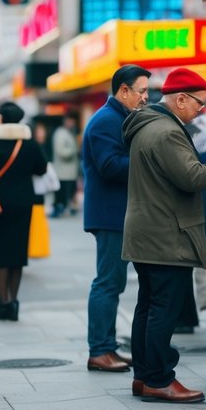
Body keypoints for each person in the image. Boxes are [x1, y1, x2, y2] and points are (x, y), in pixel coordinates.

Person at [122, 68, 206, 403]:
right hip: (166, 233)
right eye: (199, 103)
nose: (201, 110)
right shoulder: (166, 132)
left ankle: (144, 377)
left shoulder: (148, 126)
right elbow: (193, 176)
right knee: (164, 308)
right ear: (179, 99)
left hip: (148, 231)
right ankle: (160, 379)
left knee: (148, 306)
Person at [82, 64, 150, 373]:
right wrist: (149, 159)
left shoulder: (120, 117)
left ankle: (107, 347)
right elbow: (110, 166)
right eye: (141, 91)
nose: (145, 97)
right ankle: (99, 350)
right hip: (111, 215)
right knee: (108, 282)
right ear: (123, 91)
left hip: (123, 213)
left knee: (115, 282)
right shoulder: (106, 121)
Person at [0, 102, 47, 322]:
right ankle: (13, 302)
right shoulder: (29, 142)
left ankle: (2, 303)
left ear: (1, 118)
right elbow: (41, 168)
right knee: (16, 254)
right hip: (23, 205)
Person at [50, 115, 79, 220]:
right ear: (66, 121)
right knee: (61, 192)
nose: (72, 124)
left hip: (69, 171)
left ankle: (66, 208)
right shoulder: (60, 134)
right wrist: (74, 150)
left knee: (68, 191)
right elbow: (61, 151)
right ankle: (59, 209)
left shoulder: (69, 133)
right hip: (63, 171)